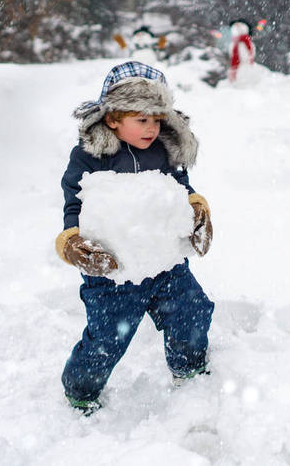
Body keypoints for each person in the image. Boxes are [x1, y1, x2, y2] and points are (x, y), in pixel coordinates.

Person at [54, 61, 214, 415]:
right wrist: (73, 242)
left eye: (157, 119)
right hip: (113, 270)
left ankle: (189, 369)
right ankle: (81, 389)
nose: (152, 128)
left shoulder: (165, 150)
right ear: (112, 118)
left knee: (191, 313)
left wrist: (196, 210)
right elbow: (74, 202)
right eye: (141, 120)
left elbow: (181, 191)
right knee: (108, 338)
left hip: (165, 262)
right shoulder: (91, 156)